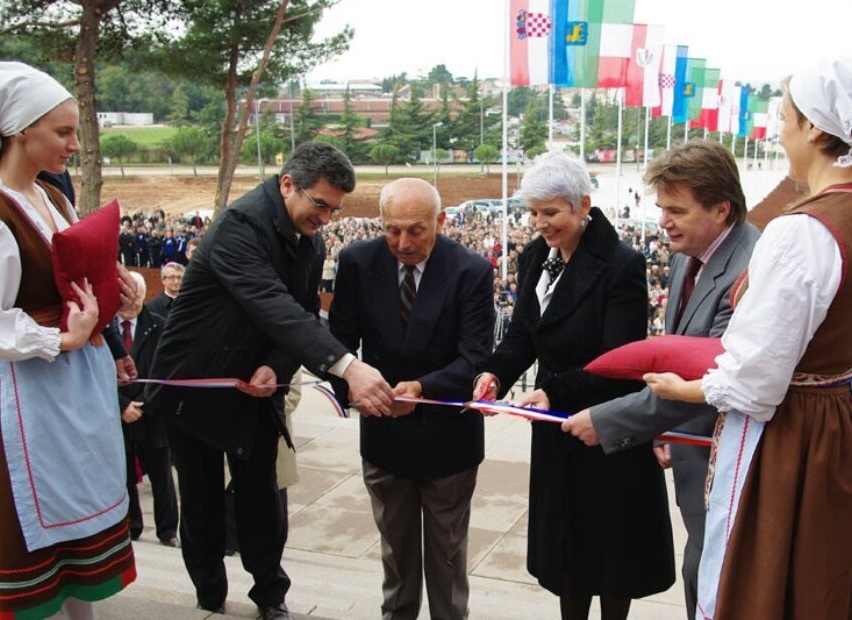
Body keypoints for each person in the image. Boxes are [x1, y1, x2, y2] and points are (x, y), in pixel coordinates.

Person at [641, 57, 852, 619]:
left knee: (769, 583)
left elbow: (754, 381)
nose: (781, 132)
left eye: (786, 118)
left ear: (815, 128)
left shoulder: (802, 230)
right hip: (846, 427)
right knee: (826, 576)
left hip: (798, 435)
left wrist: (680, 390)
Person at [146, 141, 394, 620]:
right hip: (193, 388)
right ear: (287, 185)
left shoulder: (311, 239)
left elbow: (300, 312)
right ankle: (209, 597)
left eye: (333, 210)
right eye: (319, 204)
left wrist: (276, 367)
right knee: (200, 505)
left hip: (256, 390)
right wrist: (348, 366)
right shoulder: (238, 228)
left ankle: (270, 596)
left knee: (264, 500)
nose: (324, 219)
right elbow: (267, 302)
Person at [561, 140, 760, 620]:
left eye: (677, 210)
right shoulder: (686, 256)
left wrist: (610, 421)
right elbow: (677, 356)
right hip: (693, 451)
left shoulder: (750, 269)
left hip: (731, 465)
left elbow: (710, 375)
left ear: (721, 208)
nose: (663, 221)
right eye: (660, 208)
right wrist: (668, 434)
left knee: (716, 586)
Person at [472, 152, 675, 620]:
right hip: (555, 424)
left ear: (583, 205)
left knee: (607, 552)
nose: (540, 224)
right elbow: (524, 333)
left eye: (552, 213)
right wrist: (496, 375)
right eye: (534, 213)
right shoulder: (535, 257)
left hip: (603, 422)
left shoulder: (621, 265)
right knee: (566, 550)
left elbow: (617, 359)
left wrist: (556, 392)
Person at [0, 61, 137, 619]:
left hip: (76, 385)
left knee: (79, 524)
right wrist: (59, 338)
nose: (75, 144)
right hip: (30, 393)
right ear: (22, 130)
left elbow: (74, 276)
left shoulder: (51, 197)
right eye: (63, 132)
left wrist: (121, 295)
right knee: (41, 522)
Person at [328, 178, 495, 620]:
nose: (403, 243)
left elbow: (476, 355)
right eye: (392, 230)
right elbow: (336, 344)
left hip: (448, 441)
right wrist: (355, 386)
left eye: (416, 230)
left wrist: (423, 388)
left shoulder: (470, 270)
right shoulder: (357, 262)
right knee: (397, 556)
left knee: (446, 555)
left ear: (440, 221)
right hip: (384, 435)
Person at [113, 271, 179, 547]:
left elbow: (167, 371)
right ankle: (131, 527)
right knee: (124, 476)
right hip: (118, 416)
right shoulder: (103, 330)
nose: (132, 303)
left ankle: (167, 531)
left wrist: (143, 404)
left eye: (137, 297)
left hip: (152, 416)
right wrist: (123, 405)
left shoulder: (160, 326)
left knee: (162, 478)